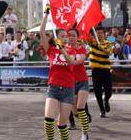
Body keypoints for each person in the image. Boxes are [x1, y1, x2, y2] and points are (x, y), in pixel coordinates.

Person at [40, 8, 82, 140]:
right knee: (48, 120)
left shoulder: (72, 51)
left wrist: (63, 49)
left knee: (62, 125)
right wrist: (46, 14)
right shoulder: (51, 50)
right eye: (62, 36)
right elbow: (42, 33)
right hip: (53, 88)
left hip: (68, 90)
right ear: (57, 38)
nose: (66, 38)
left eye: (67, 36)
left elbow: (72, 62)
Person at [67, 28, 90, 140]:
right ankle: (84, 122)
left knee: (81, 108)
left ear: (77, 37)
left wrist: (66, 56)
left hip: (82, 82)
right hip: (70, 84)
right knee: (75, 112)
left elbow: (78, 61)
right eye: (69, 35)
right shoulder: (64, 50)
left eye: (73, 35)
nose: (71, 37)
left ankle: (84, 134)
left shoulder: (82, 49)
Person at [88, 28, 113, 118]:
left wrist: (101, 47)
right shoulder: (92, 42)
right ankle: (102, 109)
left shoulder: (108, 42)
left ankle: (106, 100)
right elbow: (86, 36)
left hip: (106, 70)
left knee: (109, 91)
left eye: (101, 33)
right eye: (98, 33)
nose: (100, 35)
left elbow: (109, 52)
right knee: (97, 91)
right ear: (95, 34)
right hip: (96, 70)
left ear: (104, 34)